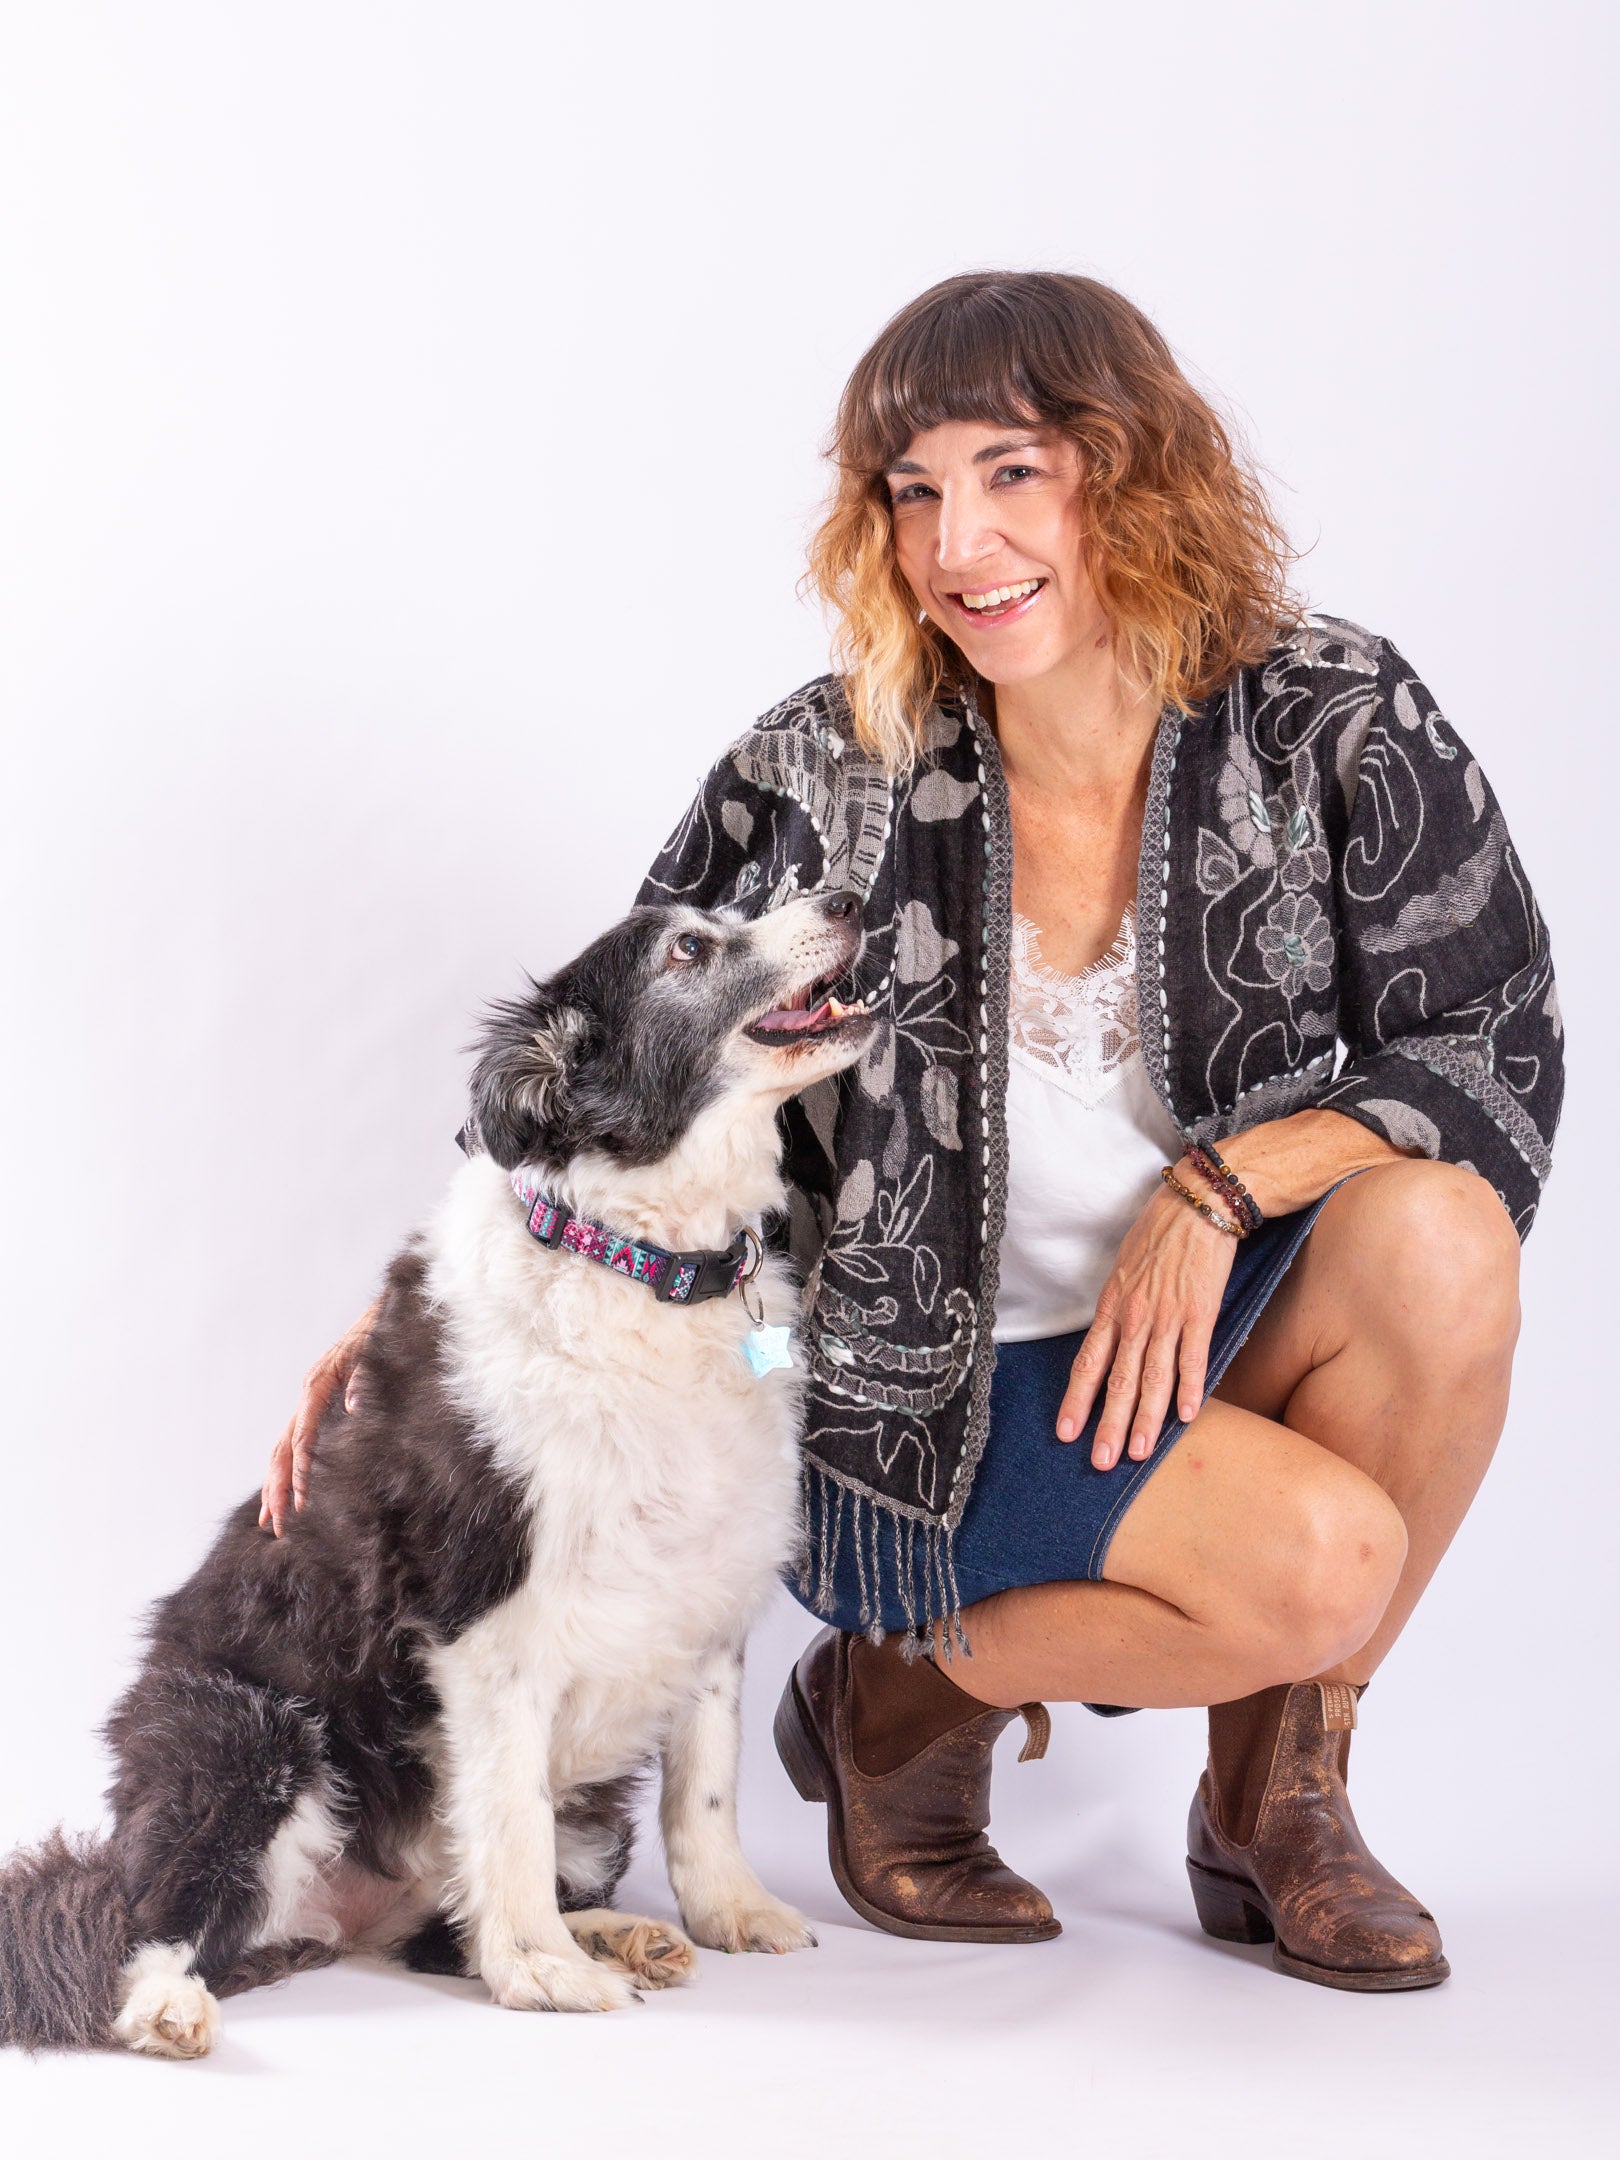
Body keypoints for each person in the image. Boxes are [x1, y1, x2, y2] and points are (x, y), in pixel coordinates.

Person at [261, 273, 1559, 1992]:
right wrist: (417, 1309)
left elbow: (1493, 1039)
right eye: (915, 488)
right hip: (909, 1382)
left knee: (1442, 1237)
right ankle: (904, 1695)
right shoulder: (829, 760)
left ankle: (1278, 1795)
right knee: (1331, 1567)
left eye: (1013, 472)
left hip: (1206, 1333)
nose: (961, 542)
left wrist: (1228, 1182)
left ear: (1129, 465)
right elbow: (612, 1063)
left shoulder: (1328, 718)